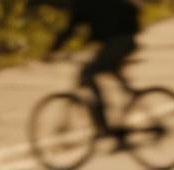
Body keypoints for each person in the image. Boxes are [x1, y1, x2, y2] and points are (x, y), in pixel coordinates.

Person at [47, 0, 142, 147]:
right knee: (109, 70)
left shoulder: (82, 3)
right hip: (123, 39)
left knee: (88, 73)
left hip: (119, 41)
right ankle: (120, 128)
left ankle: (103, 125)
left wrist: (53, 50)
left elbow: (70, 29)